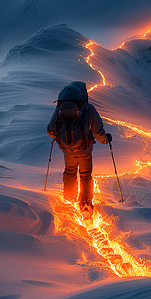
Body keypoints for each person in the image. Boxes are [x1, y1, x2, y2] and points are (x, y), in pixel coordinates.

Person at [47, 81, 112, 215]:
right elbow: (98, 131)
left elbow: (50, 130)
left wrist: (59, 137)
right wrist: (106, 140)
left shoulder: (60, 108)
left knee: (70, 172)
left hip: (67, 149)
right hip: (85, 149)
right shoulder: (88, 108)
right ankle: (86, 204)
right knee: (85, 175)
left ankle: (69, 202)